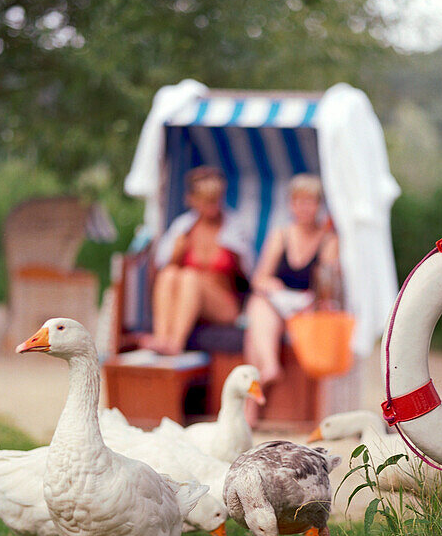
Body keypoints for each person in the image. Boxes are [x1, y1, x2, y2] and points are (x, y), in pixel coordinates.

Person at [243, 173, 340, 401]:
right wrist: (271, 284)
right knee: (258, 307)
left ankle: (254, 404)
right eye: (299, 201)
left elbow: (326, 286)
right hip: (280, 305)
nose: (304, 208)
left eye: (310, 202)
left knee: (255, 330)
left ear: (319, 205)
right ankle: (269, 368)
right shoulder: (281, 235)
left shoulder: (329, 240)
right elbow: (259, 278)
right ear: (291, 204)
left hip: (309, 308)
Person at [143, 166, 253, 355]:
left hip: (224, 304)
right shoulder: (183, 227)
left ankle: (175, 344)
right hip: (189, 299)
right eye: (205, 201)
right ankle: (162, 338)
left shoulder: (234, 229)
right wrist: (177, 253)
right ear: (192, 200)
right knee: (170, 273)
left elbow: (250, 276)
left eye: (215, 200)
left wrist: (235, 257)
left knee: (190, 277)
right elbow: (160, 269)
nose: (211, 206)